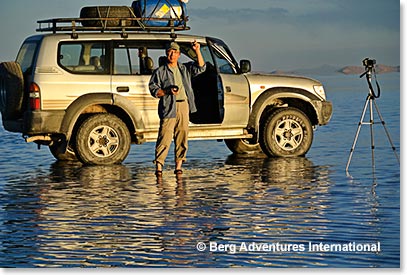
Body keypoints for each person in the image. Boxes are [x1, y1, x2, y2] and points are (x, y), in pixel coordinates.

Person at [149, 40, 206, 177]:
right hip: (168, 106)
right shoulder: (160, 71)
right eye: (170, 52)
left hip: (183, 105)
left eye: (174, 52)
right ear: (166, 53)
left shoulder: (184, 69)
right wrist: (166, 91)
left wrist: (197, 50)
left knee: (182, 136)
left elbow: (201, 68)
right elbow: (153, 89)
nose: (172, 54)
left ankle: (178, 166)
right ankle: (159, 167)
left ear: (179, 54)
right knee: (165, 136)